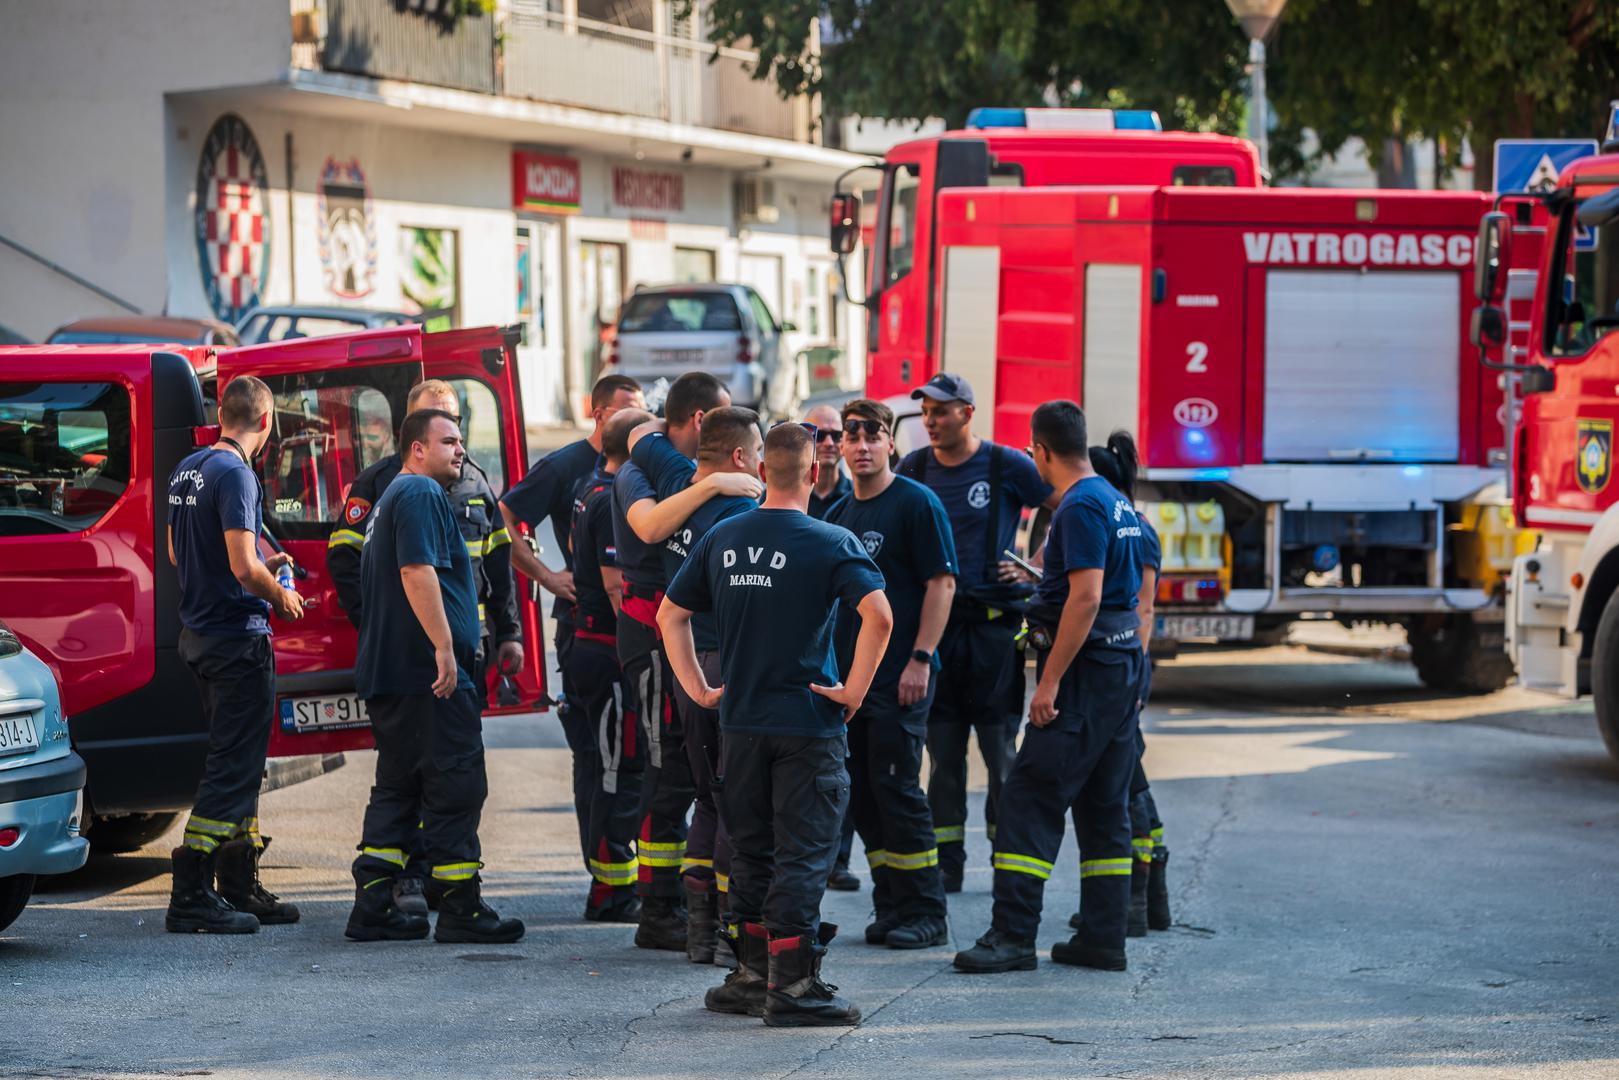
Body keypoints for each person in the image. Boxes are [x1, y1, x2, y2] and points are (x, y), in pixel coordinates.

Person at [659, 421, 892, 1026]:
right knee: (804, 852)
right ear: (814, 473)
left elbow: (669, 616)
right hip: (807, 726)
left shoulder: (723, 537)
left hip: (739, 726)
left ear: (762, 472)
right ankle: (792, 987)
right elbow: (881, 618)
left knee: (753, 850)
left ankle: (750, 976)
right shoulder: (832, 540)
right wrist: (854, 691)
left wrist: (700, 690)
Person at [954, 401, 1144, 974]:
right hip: (1118, 670)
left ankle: (1012, 938)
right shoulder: (1115, 501)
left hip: (1085, 676)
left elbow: (1086, 598)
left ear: (1038, 450)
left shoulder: (1081, 505)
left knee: (1029, 799)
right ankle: (1103, 938)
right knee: (1104, 805)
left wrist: (1049, 682)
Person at [327, 379, 523, 915]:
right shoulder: (415, 493)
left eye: (461, 440)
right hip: (428, 675)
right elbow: (417, 571)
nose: (461, 450)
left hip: (401, 674)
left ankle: (373, 907)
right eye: (448, 442)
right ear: (416, 448)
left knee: (399, 788)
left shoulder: (406, 493)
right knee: (457, 781)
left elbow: (495, 566)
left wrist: (501, 633)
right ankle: (462, 909)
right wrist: (443, 647)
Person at [614, 372, 759, 950]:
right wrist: (722, 480)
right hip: (685, 654)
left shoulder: (674, 470)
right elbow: (650, 521)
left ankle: (695, 923)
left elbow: (640, 432)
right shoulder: (658, 483)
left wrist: (715, 477)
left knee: (698, 787)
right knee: (687, 783)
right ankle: (678, 916)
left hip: (682, 652)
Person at [898, 373, 1058, 892]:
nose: (931, 421)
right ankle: (948, 864)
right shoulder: (915, 468)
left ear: (967, 413)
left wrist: (1036, 562)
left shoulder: (1004, 465)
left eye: (941, 411)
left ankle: (1008, 858)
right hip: (939, 635)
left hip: (994, 634)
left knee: (1000, 753)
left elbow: (1064, 503)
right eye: (925, 412)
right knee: (943, 756)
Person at [164, 375, 304, 934]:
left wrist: (257, 569)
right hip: (236, 640)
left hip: (200, 636)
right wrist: (282, 592)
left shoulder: (189, 468)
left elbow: (180, 551)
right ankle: (191, 893)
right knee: (230, 770)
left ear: (223, 414)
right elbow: (245, 566)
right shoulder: (237, 475)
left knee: (240, 767)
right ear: (266, 422)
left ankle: (238, 884)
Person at [499, 374, 645, 879]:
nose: (636, 423)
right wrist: (546, 575)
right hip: (590, 625)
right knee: (599, 756)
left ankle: (613, 872)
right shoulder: (569, 467)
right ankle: (607, 876)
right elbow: (506, 518)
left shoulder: (639, 466)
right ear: (598, 411)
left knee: (619, 756)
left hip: (611, 625)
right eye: (627, 410)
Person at [824, 399, 958, 949]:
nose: (859, 446)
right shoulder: (836, 518)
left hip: (902, 678)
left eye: (871, 436)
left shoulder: (916, 504)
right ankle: (891, 903)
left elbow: (941, 585)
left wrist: (921, 658)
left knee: (900, 792)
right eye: (850, 437)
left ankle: (927, 912)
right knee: (867, 799)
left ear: (889, 444)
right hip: (853, 688)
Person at [1067, 432, 1170, 937]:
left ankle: (1139, 900)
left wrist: (1135, 676)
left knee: (1127, 783)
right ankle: (1147, 903)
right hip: (1127, 666)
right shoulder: (1130, 521)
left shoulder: (1132, 528)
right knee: (1128, 777)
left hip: (1125, 667)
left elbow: (1143, 609)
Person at [567, 407, 654, 922]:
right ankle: (611, 892)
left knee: (617, 770)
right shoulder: (610, 497)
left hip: (598, 648)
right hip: (608, 652)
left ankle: (619, 886)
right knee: (620, 773)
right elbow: (617, 585)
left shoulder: (594, 485)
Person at [803, 402, 859, 892]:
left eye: (833, 434)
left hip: (847, 643)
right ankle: (822, 855)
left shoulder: (850, 500)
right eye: (816, 434)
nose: (826, 442)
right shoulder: (788, 495)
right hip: (809, 651)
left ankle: (838, 859)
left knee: (843, 760)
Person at [804, 403, 852, 520]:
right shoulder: (785, 496)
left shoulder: (857, 496)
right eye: (819, 435)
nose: (829, 443)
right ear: (804, 439)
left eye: (836, 435)